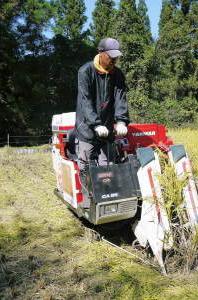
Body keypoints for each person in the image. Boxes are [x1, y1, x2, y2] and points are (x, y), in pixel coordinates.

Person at [74, 37, 130, 208]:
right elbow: (86, 101)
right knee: (86, 164)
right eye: (110, 56)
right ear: (100, 53)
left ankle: (108, 198)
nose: (114, 60)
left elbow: (120, 98)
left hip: (107, 127)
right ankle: (86, 200)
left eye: (116, 57)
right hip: (87, 127)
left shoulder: (117, 73)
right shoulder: (86, 71)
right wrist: (95, 123)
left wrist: (121, 121)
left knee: (108, 165)